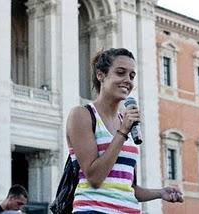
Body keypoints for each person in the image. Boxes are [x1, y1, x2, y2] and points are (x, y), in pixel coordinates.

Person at [66, 48, 183, 213]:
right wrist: (122, 132)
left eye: (132, 76)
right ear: (101, 75)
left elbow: (128, 186)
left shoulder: (125, 122)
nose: (127, 80)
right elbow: (95, 178)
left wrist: (160, 192)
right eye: (120, 73)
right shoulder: (82, 115)